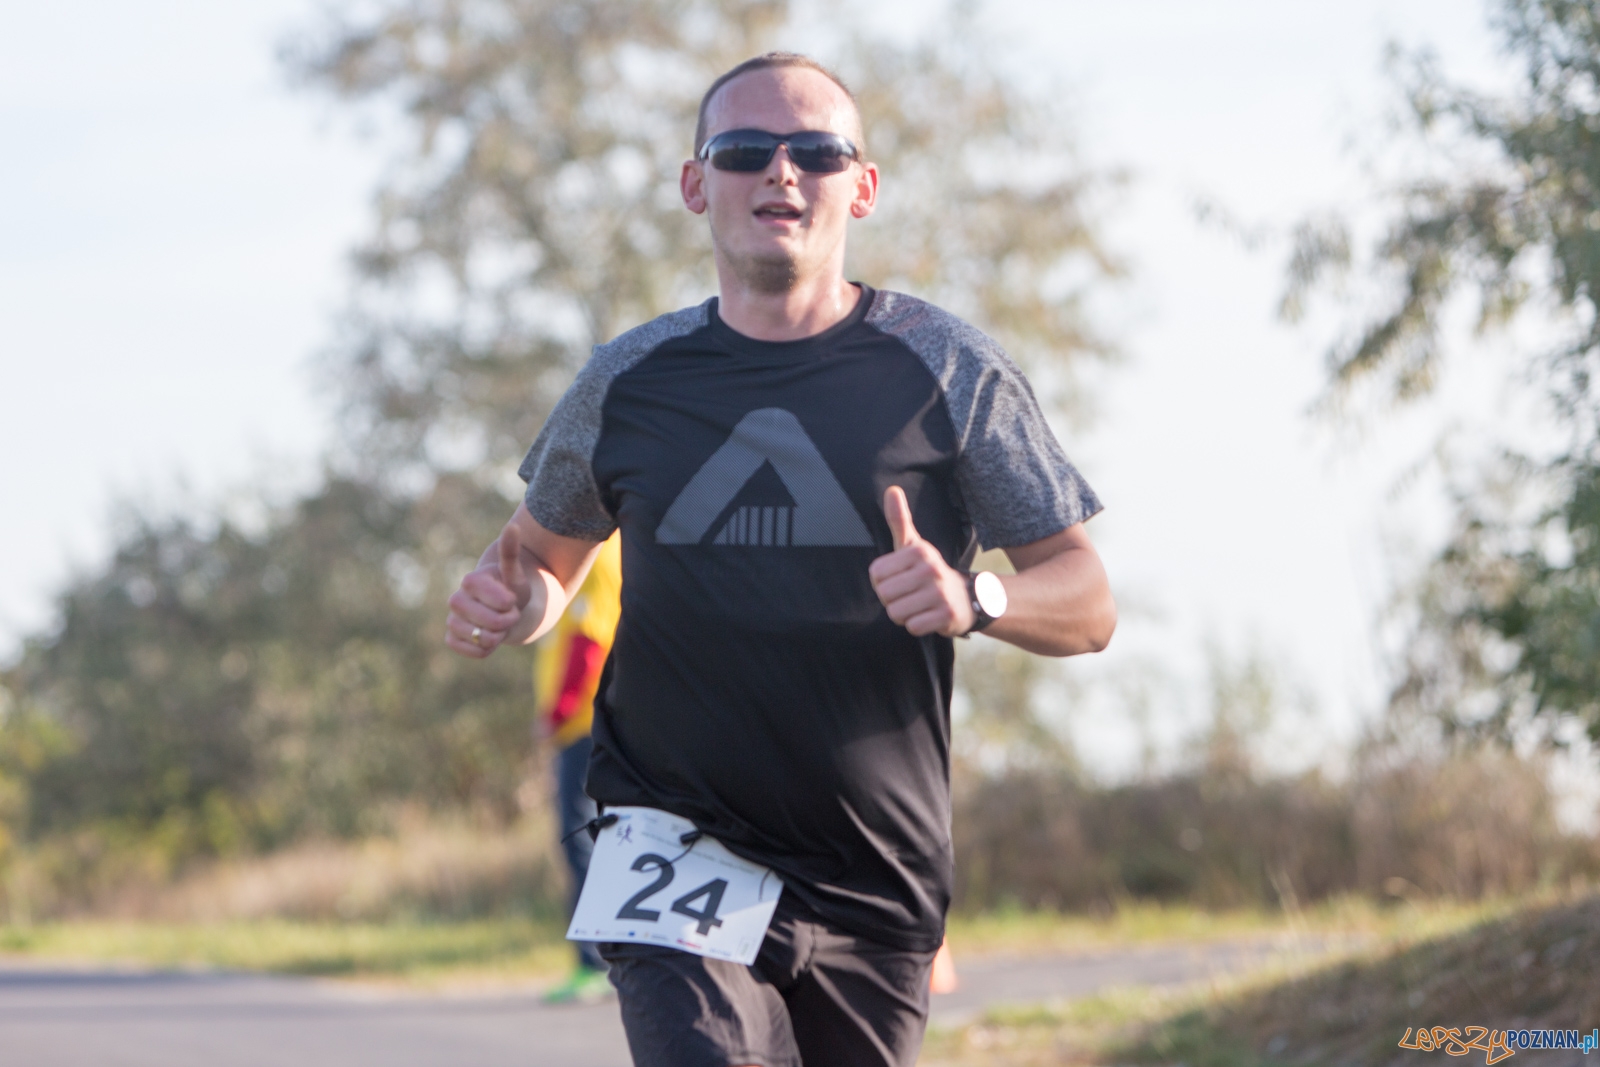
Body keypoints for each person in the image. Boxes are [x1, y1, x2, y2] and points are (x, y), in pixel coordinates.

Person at [445, 51, 1116, 1067]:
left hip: (873, 873)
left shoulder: (948, 368)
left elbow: (1088, 597)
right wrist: (515, 601)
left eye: (816, 149)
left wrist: (971, 596)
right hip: (671, 840)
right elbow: (543, 560)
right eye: (745, 149)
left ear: (864, 184)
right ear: (694, 183)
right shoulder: (628, 380)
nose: (782, 171)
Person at [535, 531, 622, 1005]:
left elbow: (589, 642)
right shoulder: (604, 546)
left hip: (583, 723)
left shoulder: (592, 549)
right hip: (594, 721)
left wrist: (555, 713)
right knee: (596, 837)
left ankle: (595, 962)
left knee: (580, 838)